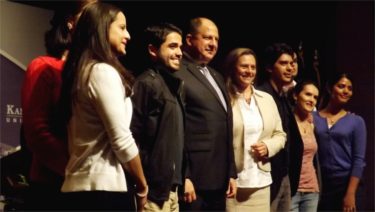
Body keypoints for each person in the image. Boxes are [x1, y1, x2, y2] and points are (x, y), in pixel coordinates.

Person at [58, 3, 147, 210]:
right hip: (102, 191)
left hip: (80, 188)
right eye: (122, 27)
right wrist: (142, 185)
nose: (129, 35)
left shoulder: (80, 73)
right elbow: (122, 140)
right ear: (102, 27)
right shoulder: (102, 72)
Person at [21, 1, 97, 210]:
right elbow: (37, 133)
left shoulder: (99, 73)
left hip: (91, 187)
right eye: (89, 13)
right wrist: (77, 170)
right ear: (71, 22)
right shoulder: (45, 67)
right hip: (54, 187)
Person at [174, 17, 237, 211]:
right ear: (190, 40)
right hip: (194, 182)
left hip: (220, 181)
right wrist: (184, 175)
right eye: (208, 38)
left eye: (216, 39)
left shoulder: (217, 75)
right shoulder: (177, 73)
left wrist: (231, 173)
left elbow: (226, 127)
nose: (213, 44)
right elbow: (177, 128)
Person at [223, 48, 286, 211]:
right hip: (233, 184)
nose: (249, 71)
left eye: (253, 67)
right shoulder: (224, 98)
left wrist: (268, 146)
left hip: (261, 182)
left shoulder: (266, 99)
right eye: (244, 66)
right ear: (232, 68)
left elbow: (280, 134)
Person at [130, 23, 184, 211]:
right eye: (172, 46)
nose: (179, 53)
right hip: (153, 193)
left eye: (180, 47)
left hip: (171, 191)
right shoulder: (146, 84)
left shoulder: (171, 85)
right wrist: (142, 184)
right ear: (153, 50)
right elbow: (131, 136)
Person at [313, 73, 366, 211]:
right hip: (322, 184)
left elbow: (358, 160)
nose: (346, 91)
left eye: (349, 88)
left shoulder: (356, 121)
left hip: (347, 183)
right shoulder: (313, 118)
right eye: (341, 86)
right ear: (330, 89)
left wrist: (350, 194)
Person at [256, 42, 297, 212]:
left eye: (291, 63)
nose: (289, 68)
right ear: (269, 68)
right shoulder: (261, 95)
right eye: (283, 63)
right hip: (268, 176)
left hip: (284, 176)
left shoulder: (283, 97)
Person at [289, 80, 320, 212]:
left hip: (312, 190)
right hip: (291, 189)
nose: (312, 100)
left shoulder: (312, 122)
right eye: (308, 94)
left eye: (315, 97)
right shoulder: (287, 120)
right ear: (296, 95)